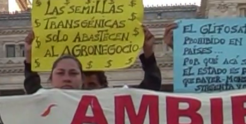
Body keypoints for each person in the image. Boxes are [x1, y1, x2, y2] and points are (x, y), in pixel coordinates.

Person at [22, 27, 162, 93]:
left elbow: (149, 91)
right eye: (60, 73)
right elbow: (32, 86)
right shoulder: (45, 101)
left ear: (81, 78)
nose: (66, 78)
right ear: (51, 78)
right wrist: (29, 55)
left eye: (73, 73)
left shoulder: (106, 102)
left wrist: (148, 54)